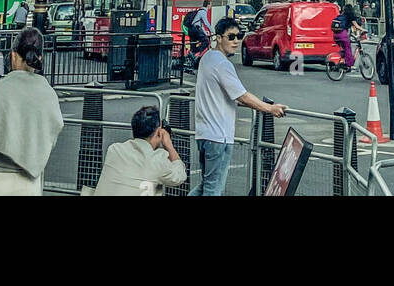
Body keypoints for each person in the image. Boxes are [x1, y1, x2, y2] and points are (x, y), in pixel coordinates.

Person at [189, 17, 285, 197]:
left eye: (239, 36)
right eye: (231, 37)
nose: (236, 41)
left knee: (206, 185)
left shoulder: (208, 58)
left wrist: (254, 105)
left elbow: (231, 95)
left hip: (204, 135)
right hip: (218, 137)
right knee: (213, 190)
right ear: (219, 37)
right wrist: (269, 108)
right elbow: (242, 95)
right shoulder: (222, 64)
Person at [0, 27, 64, 195]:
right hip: (30, 183)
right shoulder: (50, 95)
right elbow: (52, 137)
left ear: (12, 55)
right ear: (39, 57)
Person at [94, 105, 187, 196]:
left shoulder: (114, 150)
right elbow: (180, 176)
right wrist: (169, 146)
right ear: (159, 132)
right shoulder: (158, 160)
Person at [333, 3, 363, 69]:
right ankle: (349, 64)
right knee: (348, 48)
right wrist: (363, 30)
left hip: (335, 35)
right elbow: (357, 26)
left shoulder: (342, 16)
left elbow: (351, 28)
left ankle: (342, 61)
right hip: (342, 34)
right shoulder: (351, 16)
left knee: (343, 49)